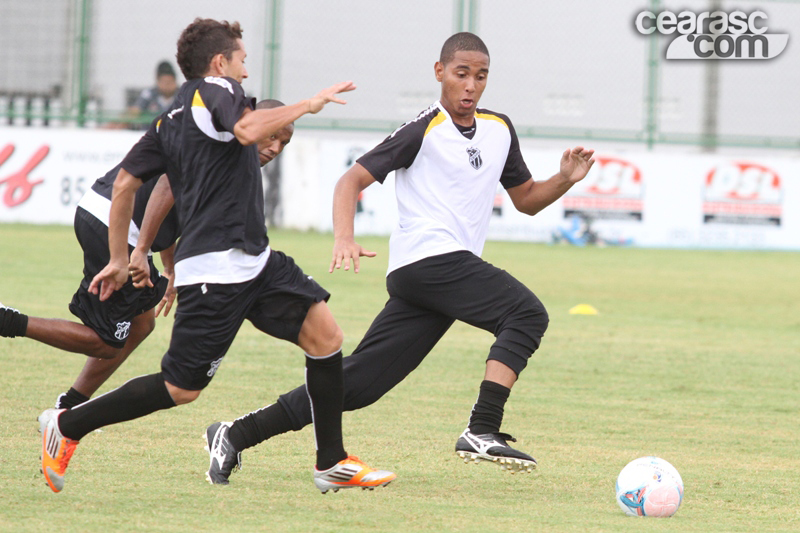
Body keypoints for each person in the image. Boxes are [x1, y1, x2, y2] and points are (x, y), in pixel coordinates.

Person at [201, 31, 596, 484]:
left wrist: (565, 178)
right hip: (430, 260)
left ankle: (234, 434)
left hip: (432, 278)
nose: (470, 85)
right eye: (461, 74)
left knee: (357, 385)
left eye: (480, 77)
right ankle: (482, 427)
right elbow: (349, 182)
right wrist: (344, 238)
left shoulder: (499, 129)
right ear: (440, 73)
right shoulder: (422, 128)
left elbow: (526, 199)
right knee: (526, 314)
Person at [36, 17, 394, 495]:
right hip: (216, 269)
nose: (246, 73)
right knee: (180, 389)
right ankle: (69, 424)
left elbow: (128, 183)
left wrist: (130, 253)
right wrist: (306, 105)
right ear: (220, 62)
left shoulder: (170, 119)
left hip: (257, 261)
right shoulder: (215, 90)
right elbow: (246, 128)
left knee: (326, 336)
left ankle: (331, 462)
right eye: (242, 60)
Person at [0, 99, 295, 411]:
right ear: (256, 122)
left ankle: (71, 403)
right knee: (105, 341)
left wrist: (168, 267)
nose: (276, 148)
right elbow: (166, 186)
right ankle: (7, 321)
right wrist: (139, 251)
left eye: (284, 143)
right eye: (273, 135)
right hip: (118, 229)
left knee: (142, 324)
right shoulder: (224, 144)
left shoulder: (229, 146)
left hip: (103, 213)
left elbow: (173, 209)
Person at [128, 61, 179, 128]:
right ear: (157, 81)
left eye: (170, 82)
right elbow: (136, 110)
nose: (167, 86)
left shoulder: (182, 95)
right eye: (164, 82)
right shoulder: (149, 94)